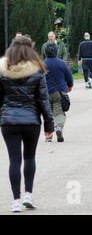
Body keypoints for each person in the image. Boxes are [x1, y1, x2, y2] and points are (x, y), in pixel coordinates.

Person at [0, 36, 54, 213]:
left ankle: (15, 201)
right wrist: (49, 125)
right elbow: (44, 100)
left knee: (14, 160)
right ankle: (28, 195)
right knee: (29, 158)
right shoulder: (37, 71)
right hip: (31, 121)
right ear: (31, 49)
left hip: (9, 121)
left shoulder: (3, 71)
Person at [44, 43, 74, 143]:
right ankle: (59, 128)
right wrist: (69, 86)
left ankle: (48, 136)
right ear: (56, 51)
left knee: (47, 114)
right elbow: (69, 78)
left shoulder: (42, 64)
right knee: (59, 112)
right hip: (59, 92)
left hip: (46, 93)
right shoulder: (62, 63)